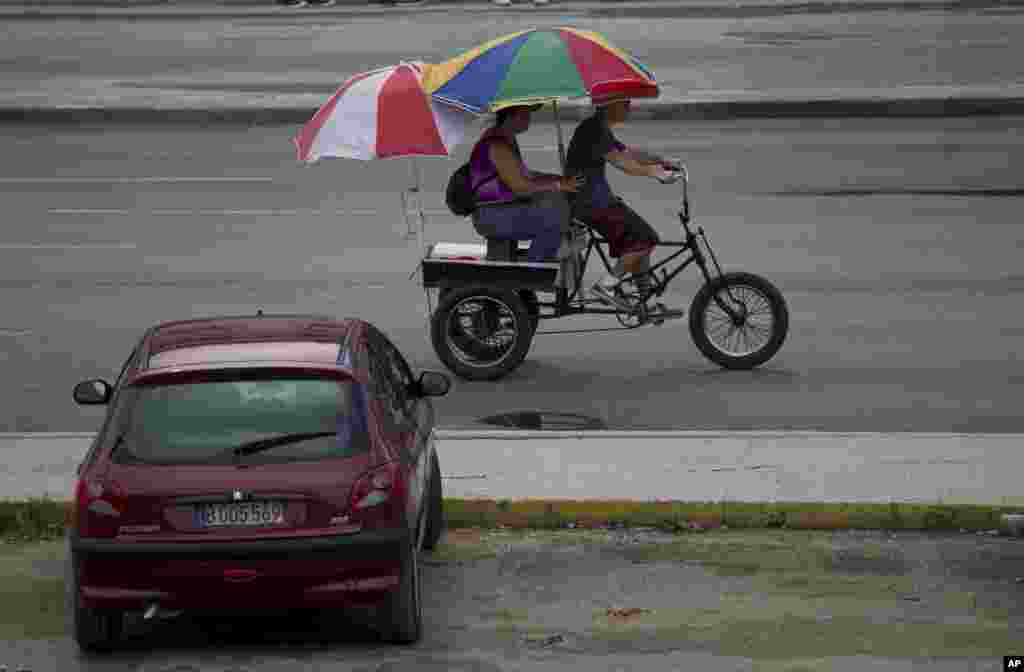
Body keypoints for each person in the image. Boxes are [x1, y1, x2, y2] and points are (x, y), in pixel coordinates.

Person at [564, 91, 681, 311]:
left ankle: (646, 299)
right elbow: (624, 164)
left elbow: (628, 152)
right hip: (591, 204)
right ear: (610, 105)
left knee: (638, 242)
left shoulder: (598, 129)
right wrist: (655, 173)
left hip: (595, 201)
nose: (629, 105)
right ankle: (605, 286)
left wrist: (662, 160)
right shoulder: (594, 130)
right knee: (646, 238)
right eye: (625, 102)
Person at [468, 103, 584, 263]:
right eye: (525, 114)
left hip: (500, 208)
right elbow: (521, 187)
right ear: (510, 116)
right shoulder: (497, 145)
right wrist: (558, 185)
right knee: (555, 215)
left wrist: (559, 180)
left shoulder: (507, 138)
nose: (529, 118)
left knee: (559, 203)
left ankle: (546, 255)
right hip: (490, 214)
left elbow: (527, 175)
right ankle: (535, 265)